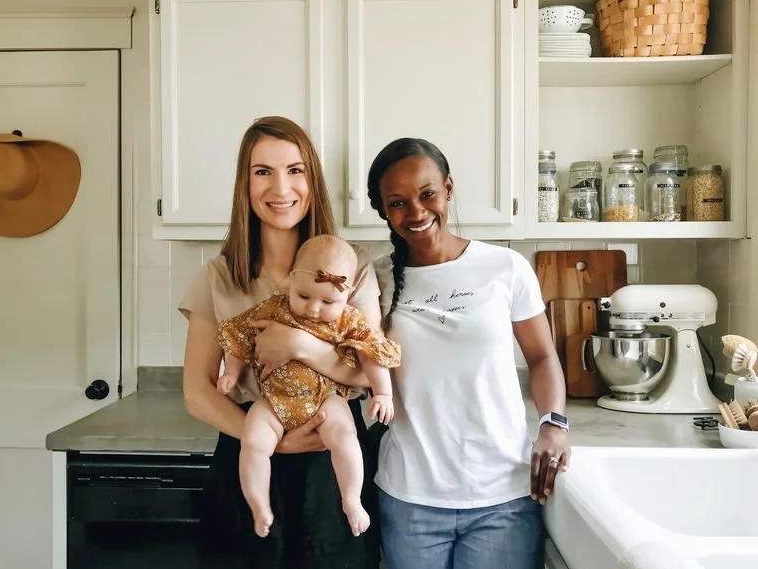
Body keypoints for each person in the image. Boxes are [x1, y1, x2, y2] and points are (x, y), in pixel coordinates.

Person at [179, 116, 384, 569]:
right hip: (248, 456)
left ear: (312, 179)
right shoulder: (220, 276)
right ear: (245, 184)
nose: (280, 187)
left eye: (295, 170)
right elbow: (196, 392)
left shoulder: (353, 269)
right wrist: (271, 442)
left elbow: (366, 372)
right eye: (262, 172)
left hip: (333, 461)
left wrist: (298, 345)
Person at [365, 137, 571, 569]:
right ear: (383, 210)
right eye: (398, 203)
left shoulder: (506, 267)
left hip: (504, 497)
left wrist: (553, 425)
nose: (417, 213)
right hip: (409, 497)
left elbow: (542, 357)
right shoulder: (374, 279)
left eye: (427, 195)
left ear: (449, 189)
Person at [216, 234, 401, 538]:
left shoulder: (348, 320)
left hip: (325, 398)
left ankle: (351, 499)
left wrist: (383, 392)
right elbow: (238, 335)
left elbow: (372, 352)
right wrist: (231, 373)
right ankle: (259, 507)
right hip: (274, 399)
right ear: (290, 282)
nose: (314, 308)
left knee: (344, 435)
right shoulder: (275, 307)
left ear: (347, 295)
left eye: (328, 301)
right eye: (304, 296)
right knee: (252, 441)